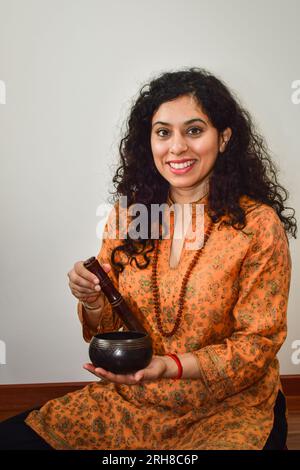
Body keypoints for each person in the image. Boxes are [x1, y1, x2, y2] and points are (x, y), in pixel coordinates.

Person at [0, 67, 297, 450]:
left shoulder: (257, 226)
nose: (176, 148)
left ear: (223, 138)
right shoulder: (129, 218)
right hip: (134, 402)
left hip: (227, 409)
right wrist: (91, 300)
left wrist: (168, 366)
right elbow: (108, 325)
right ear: (149, 141)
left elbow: (257, 344)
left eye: (194, 130)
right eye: (163, 132)